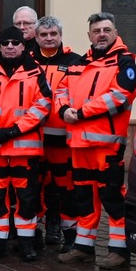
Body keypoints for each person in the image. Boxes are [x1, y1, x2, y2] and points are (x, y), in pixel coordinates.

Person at [58, 12, 136, 269]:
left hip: (107, 145)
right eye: (96, 31)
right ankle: (83, 247)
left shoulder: (125, 63)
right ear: (89, 35)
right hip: (79, 144)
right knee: (83, 196)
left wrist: (80, 112)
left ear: (115, 32)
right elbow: (60, 90)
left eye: (106, 30)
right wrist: (63, 110)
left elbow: (119, 96)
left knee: (112, 196)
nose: (101, 34)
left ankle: (119, 250)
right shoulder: (79, 64)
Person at [0, 26, 50, 261]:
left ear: (23, 45)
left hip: (25, 148)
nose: (10, 47)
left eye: (15, 43)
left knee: (26, 199)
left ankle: (26, 244)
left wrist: (16, 129)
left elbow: (44, 104)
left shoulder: (34, 71)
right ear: (0, 46)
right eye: (5, 43)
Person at [32, 15, 81, 250]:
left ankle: (69, 234)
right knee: (34, 187)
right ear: (36, 36)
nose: (49, 38)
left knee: (66, 187)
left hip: (63, 138)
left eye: (53, 34)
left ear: (61, 36)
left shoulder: (76, 62)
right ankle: (35, 230)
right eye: (44, 34)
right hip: (33, 138)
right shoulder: (27, 61)